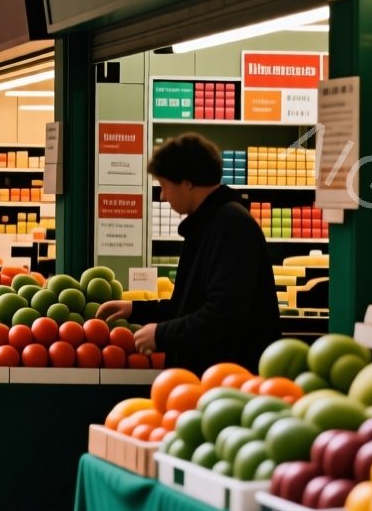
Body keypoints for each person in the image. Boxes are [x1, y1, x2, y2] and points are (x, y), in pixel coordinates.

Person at [95, 134, 281, 370]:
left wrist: (162, 335)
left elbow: (224, 315)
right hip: (214, 376)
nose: (162, 196)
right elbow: (186, 306)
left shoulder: (231, 225)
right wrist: (134, 309)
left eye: (163, 185)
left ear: (187, 182)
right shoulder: (208, 223)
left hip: (229, 378)